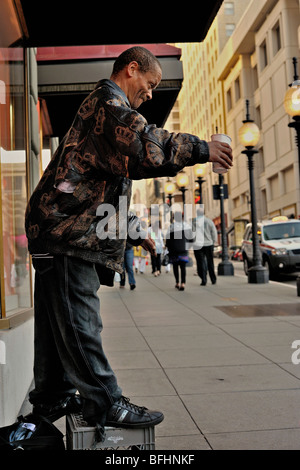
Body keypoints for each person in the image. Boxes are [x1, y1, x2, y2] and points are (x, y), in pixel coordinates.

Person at [25, 46, 232, 438]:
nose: (151, 94)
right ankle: (106, 401)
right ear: (131, 69)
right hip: (67, 233)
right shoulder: (109, 102)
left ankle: (54, 397)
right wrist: (204, 149)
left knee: (59, 323)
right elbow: (146, 146)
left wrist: (136, 231)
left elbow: (102, 185)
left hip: (59, 228)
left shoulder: (100, 112)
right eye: (150, 84)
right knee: (80, 320)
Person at [166, 212, 194, 291]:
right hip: (183, 249)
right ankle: (183, 283)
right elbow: (191, 239)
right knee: (183, 267)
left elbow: (168, 240)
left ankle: (177, 282)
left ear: (174, 218)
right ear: (182, 218)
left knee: (175, 267)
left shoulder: (171, 227)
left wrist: (168, 247)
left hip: (173, 250)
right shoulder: (186, 226)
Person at [193, 207, 218, 286]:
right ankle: (213, 279)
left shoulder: (194, 222)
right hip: (208, 244)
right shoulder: (209, 221)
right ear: (204, 213)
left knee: (200, 262)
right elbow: (214, 233)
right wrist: (213, 241)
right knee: (210, 262)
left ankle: (203, 279)